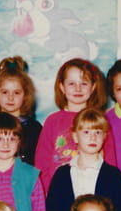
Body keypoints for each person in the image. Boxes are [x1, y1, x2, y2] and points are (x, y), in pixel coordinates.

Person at [34, 58, 114, 191]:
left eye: (84, 83)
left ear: (93, 87)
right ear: (62, 87)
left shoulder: (100, 120)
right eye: (71, 83)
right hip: (59, 192)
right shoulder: (52, 121)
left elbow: (110, 161)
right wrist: (50, 191)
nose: (78, 88)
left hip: (92, 191)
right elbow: (41, 164)